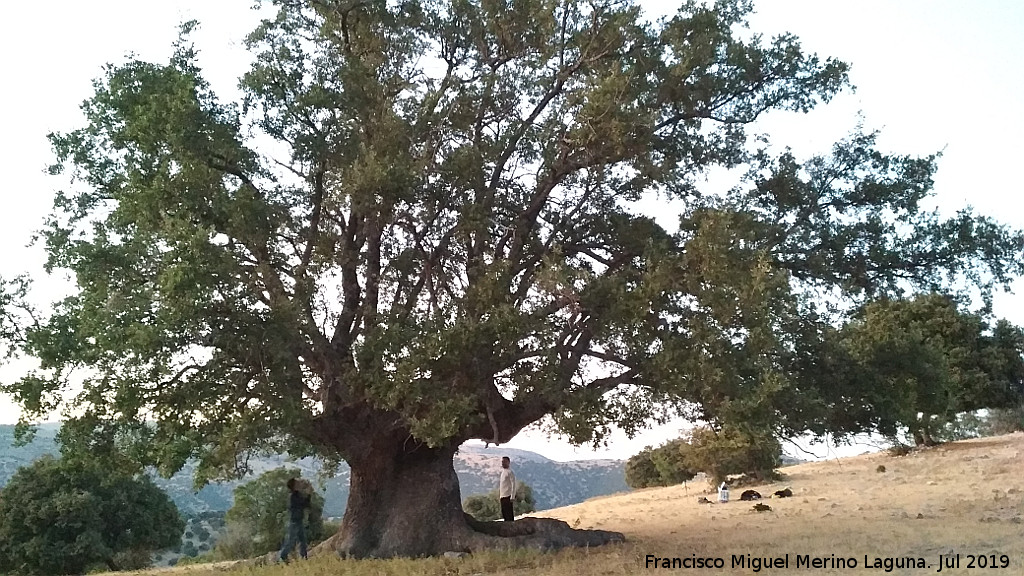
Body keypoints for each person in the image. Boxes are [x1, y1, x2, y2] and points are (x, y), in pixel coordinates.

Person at [280, 478, 310, 563]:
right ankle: (282, 557)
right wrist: (308, 493)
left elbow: (305, 504)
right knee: (290, 541)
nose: (300, 483)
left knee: (302, 541)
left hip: (298, 520)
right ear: (294, 486)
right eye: (298, 483)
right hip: (294, 521)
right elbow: (303, 504)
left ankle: (304, 558)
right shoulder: (293, 496)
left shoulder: (297, 495)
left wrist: (308, 494)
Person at [498, 456, 517, 522]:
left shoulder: (510, 472)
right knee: (504, 513)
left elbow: (513, 484)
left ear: (508, 462)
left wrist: (512, 496)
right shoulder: (503, 472)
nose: (503, 463)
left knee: (509, 514)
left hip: (508, 496)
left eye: (505, 462)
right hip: (502, 496)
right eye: (502, 462)